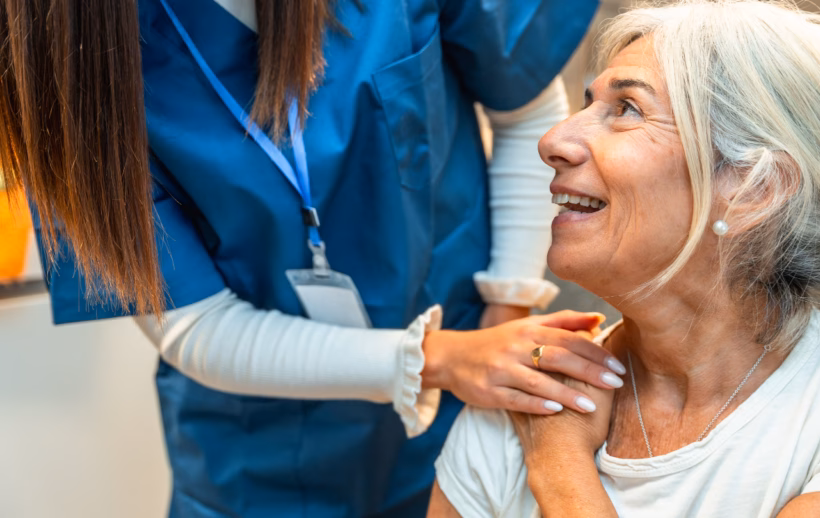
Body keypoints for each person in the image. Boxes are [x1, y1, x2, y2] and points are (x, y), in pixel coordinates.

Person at [0, 0, 634, 516]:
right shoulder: (70, 66)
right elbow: (194, 325)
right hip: (262, 456)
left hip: (469, 397)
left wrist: (504, 310)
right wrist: (438, 360)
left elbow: (525, 110)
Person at [429, 1, 820, 516]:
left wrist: (559, 465)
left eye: (627, 109)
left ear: (757, 188)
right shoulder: (531, 393)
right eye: (589, 103)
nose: (554, 140)